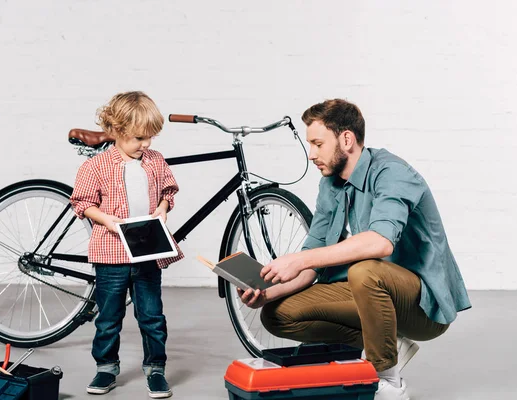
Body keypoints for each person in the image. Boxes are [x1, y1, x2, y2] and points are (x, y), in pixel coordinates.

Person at [238, 99, 471, 400]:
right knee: (279, 313)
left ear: (346, 139)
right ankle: (387, 342)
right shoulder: (330, 185)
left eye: (318, 144)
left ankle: (387, 378)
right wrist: (267, 293)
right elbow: (312, 263)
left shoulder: (392, 173)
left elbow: (380, 242)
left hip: (422, 305)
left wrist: (299, 259)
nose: (311, 155)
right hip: (372, 292)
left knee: (365, 270)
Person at [70, 91, 183, 398]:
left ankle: (155, 368)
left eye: (150, 137)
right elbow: (82, 202)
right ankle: (106, 367)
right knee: (108, 316)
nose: (145, 144)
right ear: (117, 132)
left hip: (147, 250)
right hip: (111, 253)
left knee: (152, 315)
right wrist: (105, 219)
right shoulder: (97, 166)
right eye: (138, 138)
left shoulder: (155, 161)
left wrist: (162, 207)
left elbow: (168, 191)